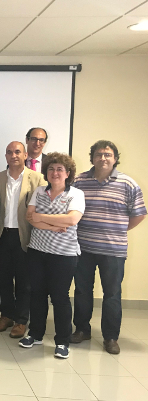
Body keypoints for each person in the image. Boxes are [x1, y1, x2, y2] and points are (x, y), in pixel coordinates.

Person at [71, 140, 146, 354]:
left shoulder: (128, 184)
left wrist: (117, 229)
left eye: (107, 154)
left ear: (115, 158)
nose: (103, 158)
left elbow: (139, 215)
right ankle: (82, 330)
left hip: (113, 251)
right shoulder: (79, 181)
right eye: (98, 154)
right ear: (92, 157)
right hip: (83, 248)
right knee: (82, 291)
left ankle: (111, 337)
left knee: (112, 294)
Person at [19, 152, 85, 359]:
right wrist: (55, 224)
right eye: (51, 169)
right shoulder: (39, 191)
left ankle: (62, 341)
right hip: (37, 251)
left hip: (64, 255)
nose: (55, 173)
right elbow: (30, 218)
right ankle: (35, 334)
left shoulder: (76, 194)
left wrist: (41, 217)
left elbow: (72, 220)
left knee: (60, 297)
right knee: (37, 294)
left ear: (68, 173)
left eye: (59, 169)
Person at [0, 142, 45, 338]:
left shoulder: (37, 178)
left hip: (25, 236)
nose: (13, 155)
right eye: (9, 152)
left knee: (24, 281)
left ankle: (21, 320)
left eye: (17, 152)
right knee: (3, 279)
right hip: (3, 234)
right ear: (6, 156)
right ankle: (6, 315)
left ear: (25, 155)